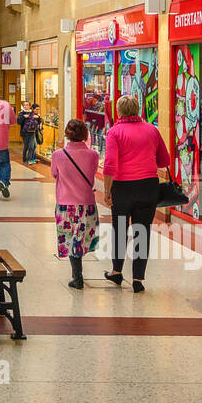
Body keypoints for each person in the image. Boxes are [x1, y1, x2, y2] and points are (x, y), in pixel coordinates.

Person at [101, 94, 170, 293]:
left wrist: (107, 191)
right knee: (142, 231)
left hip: (122, 188)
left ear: (119, 111)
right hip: (148, 187)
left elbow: (110, 165)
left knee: (120, 229)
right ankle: (138, 279)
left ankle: (116, 272)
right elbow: (163, 160)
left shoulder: (115, 132)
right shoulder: (152, 130)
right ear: (137, 109)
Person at [52, 119, 100, 290]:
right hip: (86, 203)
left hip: (65, 204)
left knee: (71, 238)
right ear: (85, 134)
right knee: (80, 239)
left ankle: (76, 276)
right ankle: (77, 275)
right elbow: (93, 172)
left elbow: (54, 173)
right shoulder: (93, 155)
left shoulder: (58, 155)